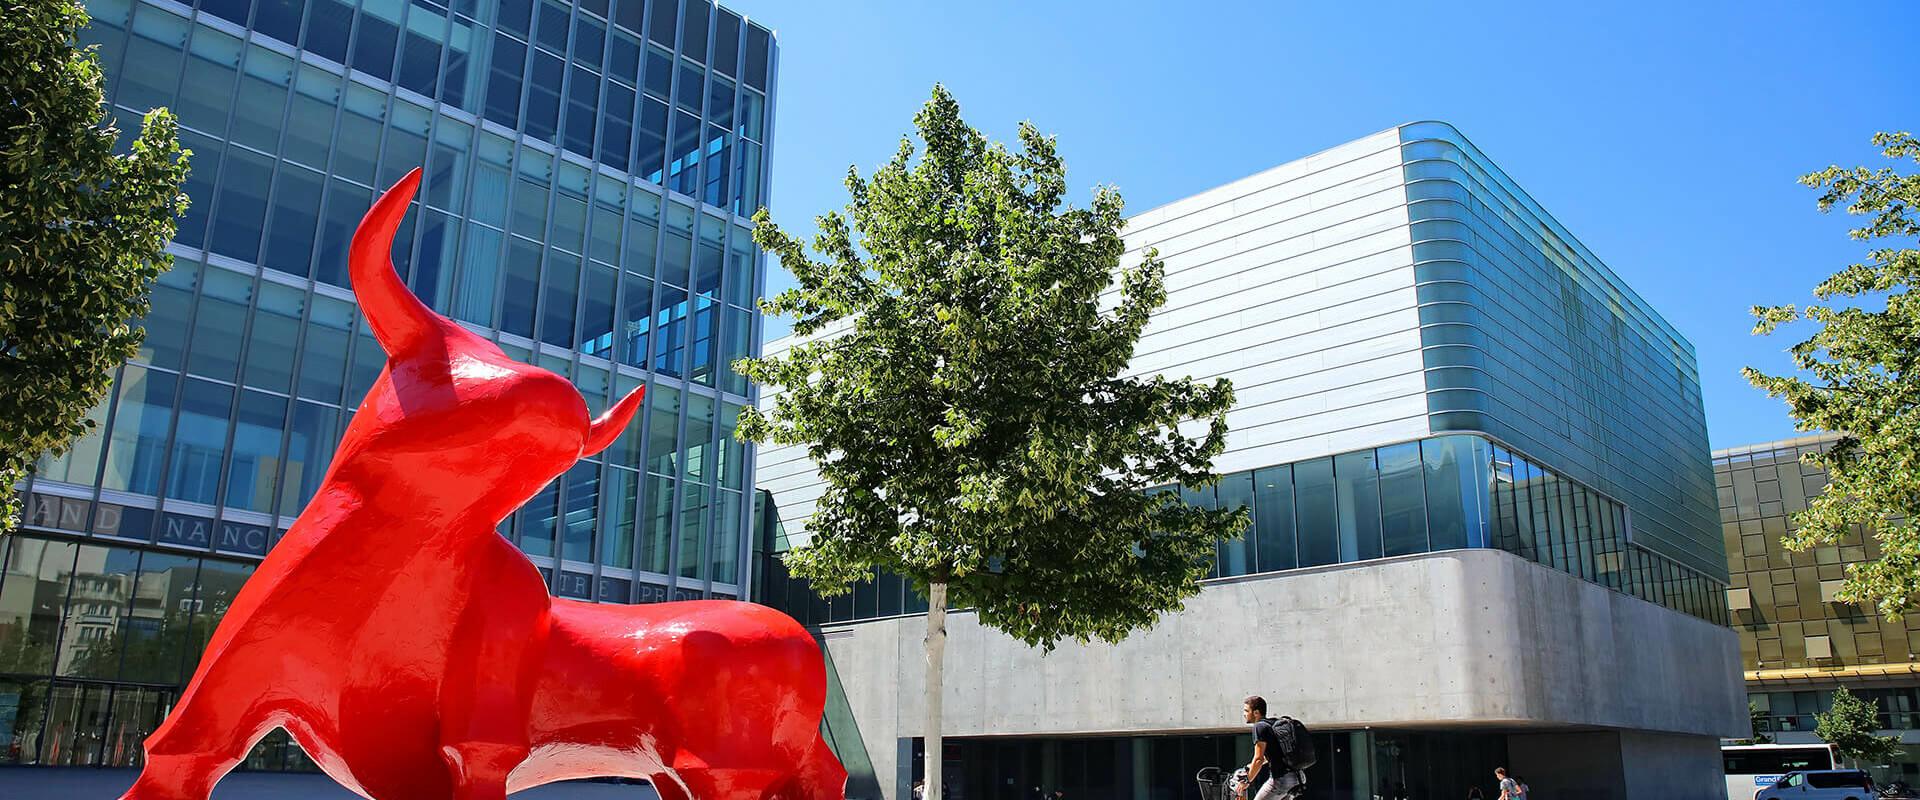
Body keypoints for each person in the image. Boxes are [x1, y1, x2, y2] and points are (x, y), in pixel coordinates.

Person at [1240, 695, 1306, 799]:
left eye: (1246, 711)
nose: (1244, 714)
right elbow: (1272, 755)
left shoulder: (1259, 727)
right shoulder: (1273, 724)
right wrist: (1249, 767)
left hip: (1281, 780)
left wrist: (1247, 781)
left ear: (1256, 712)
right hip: (1297, 777)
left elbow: (1258, 759)